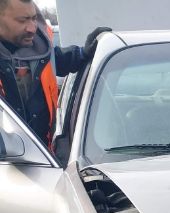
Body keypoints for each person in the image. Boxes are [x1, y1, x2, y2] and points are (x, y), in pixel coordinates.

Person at [0, 0, 108, 146]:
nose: (32, 28)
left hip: (43, 156)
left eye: (33, 18)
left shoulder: (42, 54)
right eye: (23, 20)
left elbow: (62, 59)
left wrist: (83, 53)